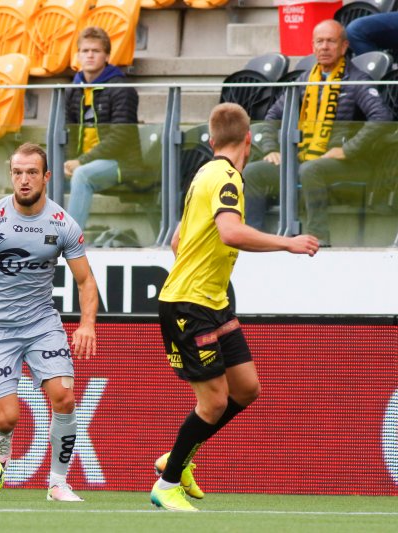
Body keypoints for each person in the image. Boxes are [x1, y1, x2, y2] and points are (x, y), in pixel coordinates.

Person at [151, 103, 320, 512]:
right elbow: (229, 232)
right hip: (191, 305)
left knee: (245, 389)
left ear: (211, 141)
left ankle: (177, 458)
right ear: (249, 140)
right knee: (213, 403)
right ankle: (167, 484)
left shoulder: (204, 173)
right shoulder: (226, 178)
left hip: (212, 301)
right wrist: (288, 242)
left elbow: (177, 241)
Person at [0, 143, 98, 502]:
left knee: (64, 397)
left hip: (41, 323)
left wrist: (87, 324)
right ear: (10, 174)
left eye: (31, 172)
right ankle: (1, 438)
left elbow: (86, 280)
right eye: (17, 172)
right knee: (7, 418)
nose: (24, 180)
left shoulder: (63, 224)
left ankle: (58, 483)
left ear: (46, 177)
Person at [242, 19, 392, 246]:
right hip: (305, 160)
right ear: (312, 46)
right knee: (254, 172)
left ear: (344, 47)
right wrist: (271, 149)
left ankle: (317, 239)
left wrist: (347, 150)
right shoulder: (305, 80)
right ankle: (255, 239)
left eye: (331, 41)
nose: (324, 47)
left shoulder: (356, 80)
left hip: (350, 164)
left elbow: (382, 118)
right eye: (319, 42)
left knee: (311, 170)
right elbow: (272, 116)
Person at [64, 26, 143, 233]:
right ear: (78, 55)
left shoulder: (121, 88)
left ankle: (70, 241)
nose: (90, 55)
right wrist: (69, 160)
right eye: (85, 50)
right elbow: (68, 133)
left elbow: (121, 136)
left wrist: (81, 161)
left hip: (122, 163)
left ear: (107, 56)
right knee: (39, 171)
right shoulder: (74, 89)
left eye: (96, 51)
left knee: (82, 174)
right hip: (84, 160)